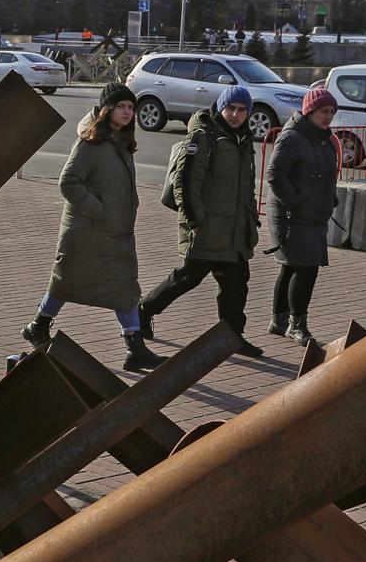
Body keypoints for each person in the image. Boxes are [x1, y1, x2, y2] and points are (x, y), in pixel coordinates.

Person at [21, 84, 161, 372]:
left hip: (114, 233)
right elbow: (68, 182)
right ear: (107, 109)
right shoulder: (90, 143)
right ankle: (38, 325)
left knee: (124, 287)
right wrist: (101, 211)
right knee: (65, 284)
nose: (127, 112)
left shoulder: (121, 142)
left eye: (130, 107)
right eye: (121, 106)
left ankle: (134, 347)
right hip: (86, 232)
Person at [138, 85, 264, 358]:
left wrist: (250, 218)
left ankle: (231, 337)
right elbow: (186, 182)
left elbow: (246, 188)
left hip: (233, 230)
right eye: (230, 108)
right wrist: (193, 219)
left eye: (241, 110)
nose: (235, 114)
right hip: (206, 227)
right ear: (220, 107)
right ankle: (144, 309)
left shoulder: (243, 140)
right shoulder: (204, 137)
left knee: (236, 282)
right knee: (188, 277)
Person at [263, 87, 341, 346]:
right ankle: (297, 324)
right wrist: (294, 201)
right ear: (309, 111)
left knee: (292, 266)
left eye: (331, 112)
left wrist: (330, 197)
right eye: (323, 111)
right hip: (292, 214)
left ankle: (279, 320)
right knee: (307, 268)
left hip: (314, 213)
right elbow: (274, 174)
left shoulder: (325, 139)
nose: (328, 116)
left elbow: (327, 174)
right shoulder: (292, 137)